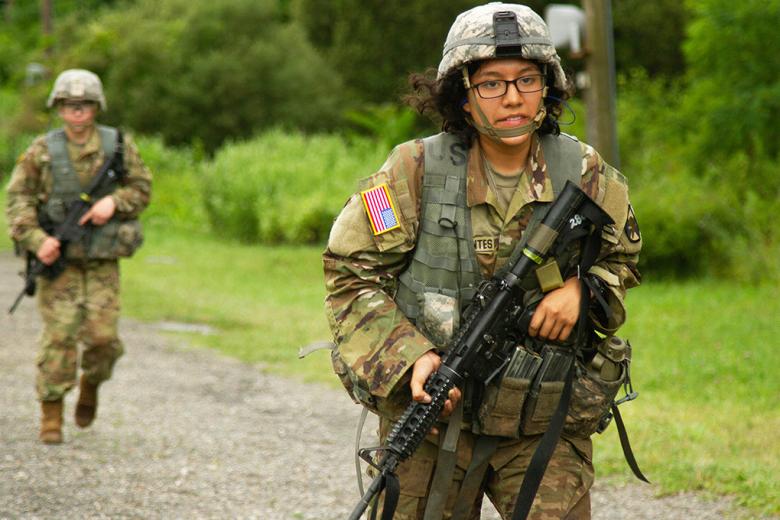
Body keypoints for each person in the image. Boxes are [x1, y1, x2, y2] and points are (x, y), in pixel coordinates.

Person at [325, 3, 643, 519]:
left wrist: (585, 292)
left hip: (539, 420)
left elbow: (622, 258)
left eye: (527, 80)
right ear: (463, 96)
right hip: (432, 417)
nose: (512, 97)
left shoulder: (582, 170)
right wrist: (411, 358)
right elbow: (349, 275)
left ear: (549, 87)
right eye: (491, 83)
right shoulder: (414, 170)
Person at [5, 69, 152, 444]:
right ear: (58, 107)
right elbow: (18, 198)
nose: (77, 112)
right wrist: (37, 240)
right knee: (60, 338)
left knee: (104, 341)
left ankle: (91, 383)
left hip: (102, 262)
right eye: (70, 105)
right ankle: (51, 412)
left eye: (84, 105)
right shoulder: (42, 150)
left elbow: (141, 188)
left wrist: (112, 202)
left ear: (96, 107)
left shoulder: (116, 146)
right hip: (60, 264)